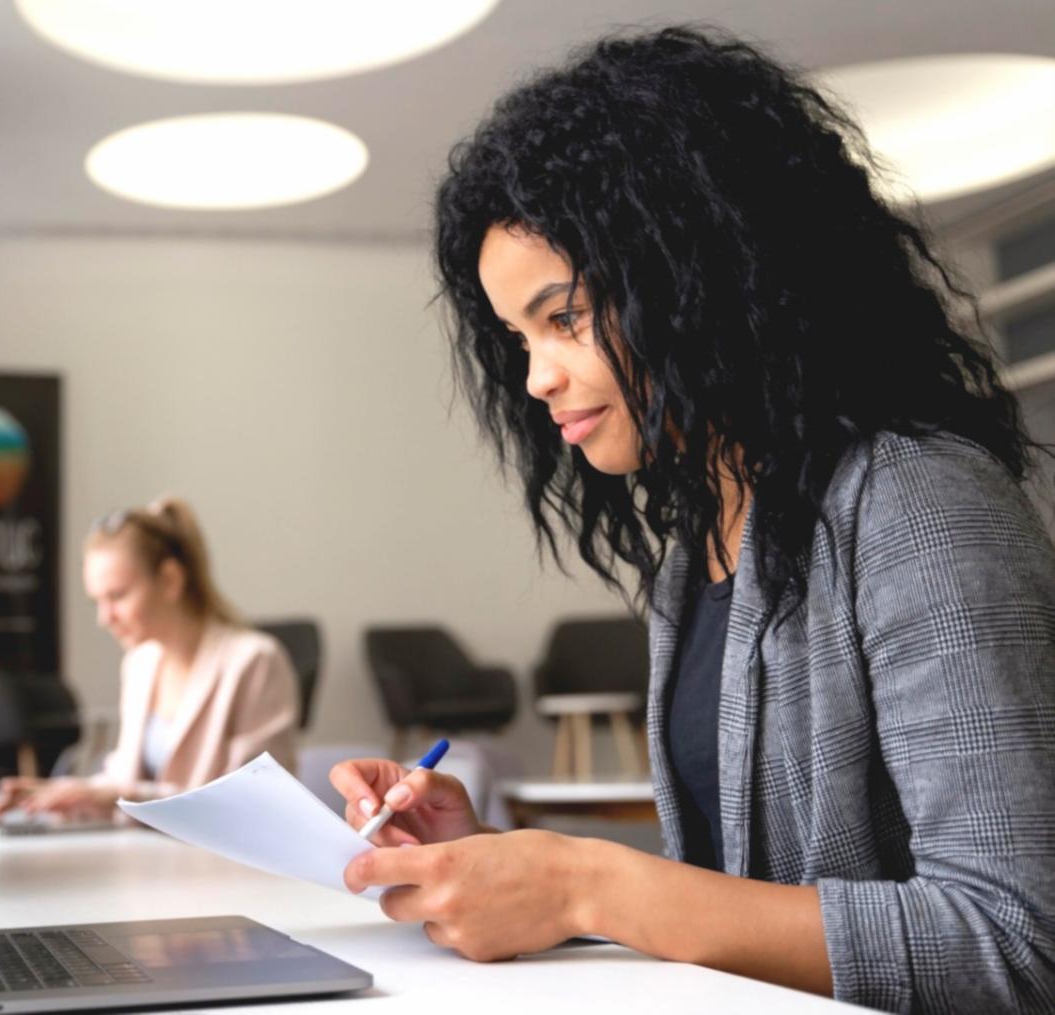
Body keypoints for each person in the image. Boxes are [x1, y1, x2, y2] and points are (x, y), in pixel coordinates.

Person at [330, 26, 1055, 1014]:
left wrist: (587, 882)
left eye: (565, 317)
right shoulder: (699, 545)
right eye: (517, 338)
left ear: (698, 273)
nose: (536, 376)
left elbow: (1013, 940)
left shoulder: (916, 501)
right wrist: (501, 863)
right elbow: (738, 884)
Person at [0, 496, 300, 821]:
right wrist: (58, 792)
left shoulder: (255, 661)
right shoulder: (140, 663)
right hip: (151, 857)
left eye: (117, 596)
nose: (104, 617)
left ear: (170, 580)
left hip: (223, 866)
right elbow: (124, 781)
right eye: (97, 600)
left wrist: (117, 795)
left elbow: (257, 803)